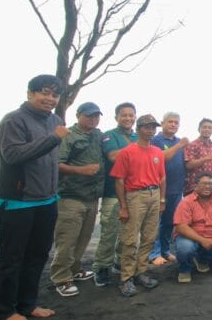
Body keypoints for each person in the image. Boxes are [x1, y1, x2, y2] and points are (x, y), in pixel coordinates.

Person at [0, 74, 68, 320]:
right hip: (16, 201)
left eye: (54, 94)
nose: (50, 99)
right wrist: (54, 138)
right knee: (11, 258)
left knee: (37, 255)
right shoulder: (13, 120)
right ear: (30, 93)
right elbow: (12, 155)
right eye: (44, 92)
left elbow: (50, 159)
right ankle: (4, 312)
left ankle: (27, 304)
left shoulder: (55, 120)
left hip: (46, 200)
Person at [50, 102, 104, 297]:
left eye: (96, 116)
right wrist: (80, 170)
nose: (93, 119)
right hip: (70, 195)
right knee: (67, 238)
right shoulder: (69, 135)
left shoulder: (98, 135)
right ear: (78, 115)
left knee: (84, 236)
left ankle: (75, 269)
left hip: (92, 195)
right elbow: (56, 163)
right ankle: (61, 278)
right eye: (89, 115)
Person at [110, 114, 166, 297]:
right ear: (139, 129)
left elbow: (162, 177)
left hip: (154, 194)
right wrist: (124, 206)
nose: (150, 130)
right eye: (146, 127)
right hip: (135, 195)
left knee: (149, 236)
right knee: (130, 238)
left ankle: (140, 271)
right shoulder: (127, 151)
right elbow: (119, 181)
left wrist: (162, 200)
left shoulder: (157, 151)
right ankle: (126, 278)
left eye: (153, 127)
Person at [92, 102, 137, 287]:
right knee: (109, 231)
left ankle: (120, 262)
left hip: (134, 192)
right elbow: (112, 156)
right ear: (116, 117)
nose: (128, 118)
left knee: (129, 232)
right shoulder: (109, 135)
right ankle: (102, 267)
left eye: (131, 115)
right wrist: (138, 149)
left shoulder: (137, 136)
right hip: (113, 192)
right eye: (124, 115)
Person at [173, 173, 212, 283]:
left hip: (211, 237)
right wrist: (202, 240)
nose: (207, 186)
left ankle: (201, 259)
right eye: (204, 183)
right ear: (196, 185)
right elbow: (181, 227)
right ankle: (185, 269)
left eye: (210, 184)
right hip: (190, 237)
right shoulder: (186, 201)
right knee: (185, 248)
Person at [148, 111, 189, 266]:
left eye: (176, 122)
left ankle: (165, 250)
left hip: (177, 189)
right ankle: (154, 253)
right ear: (163, 123)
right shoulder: (156, 140)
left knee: (169, 222)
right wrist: (180, 145)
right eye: (170, 122)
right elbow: (160, 157)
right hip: (159, 189)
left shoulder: (179, 141)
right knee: (155, 223)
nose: (173, 125)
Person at [184, 118, 212, 195]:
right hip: (195, 187)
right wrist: (206, 158)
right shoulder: (192, 145)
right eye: (204, 127)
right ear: (199, 129)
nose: (207, 129)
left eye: (210, 127)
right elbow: (188, 165)